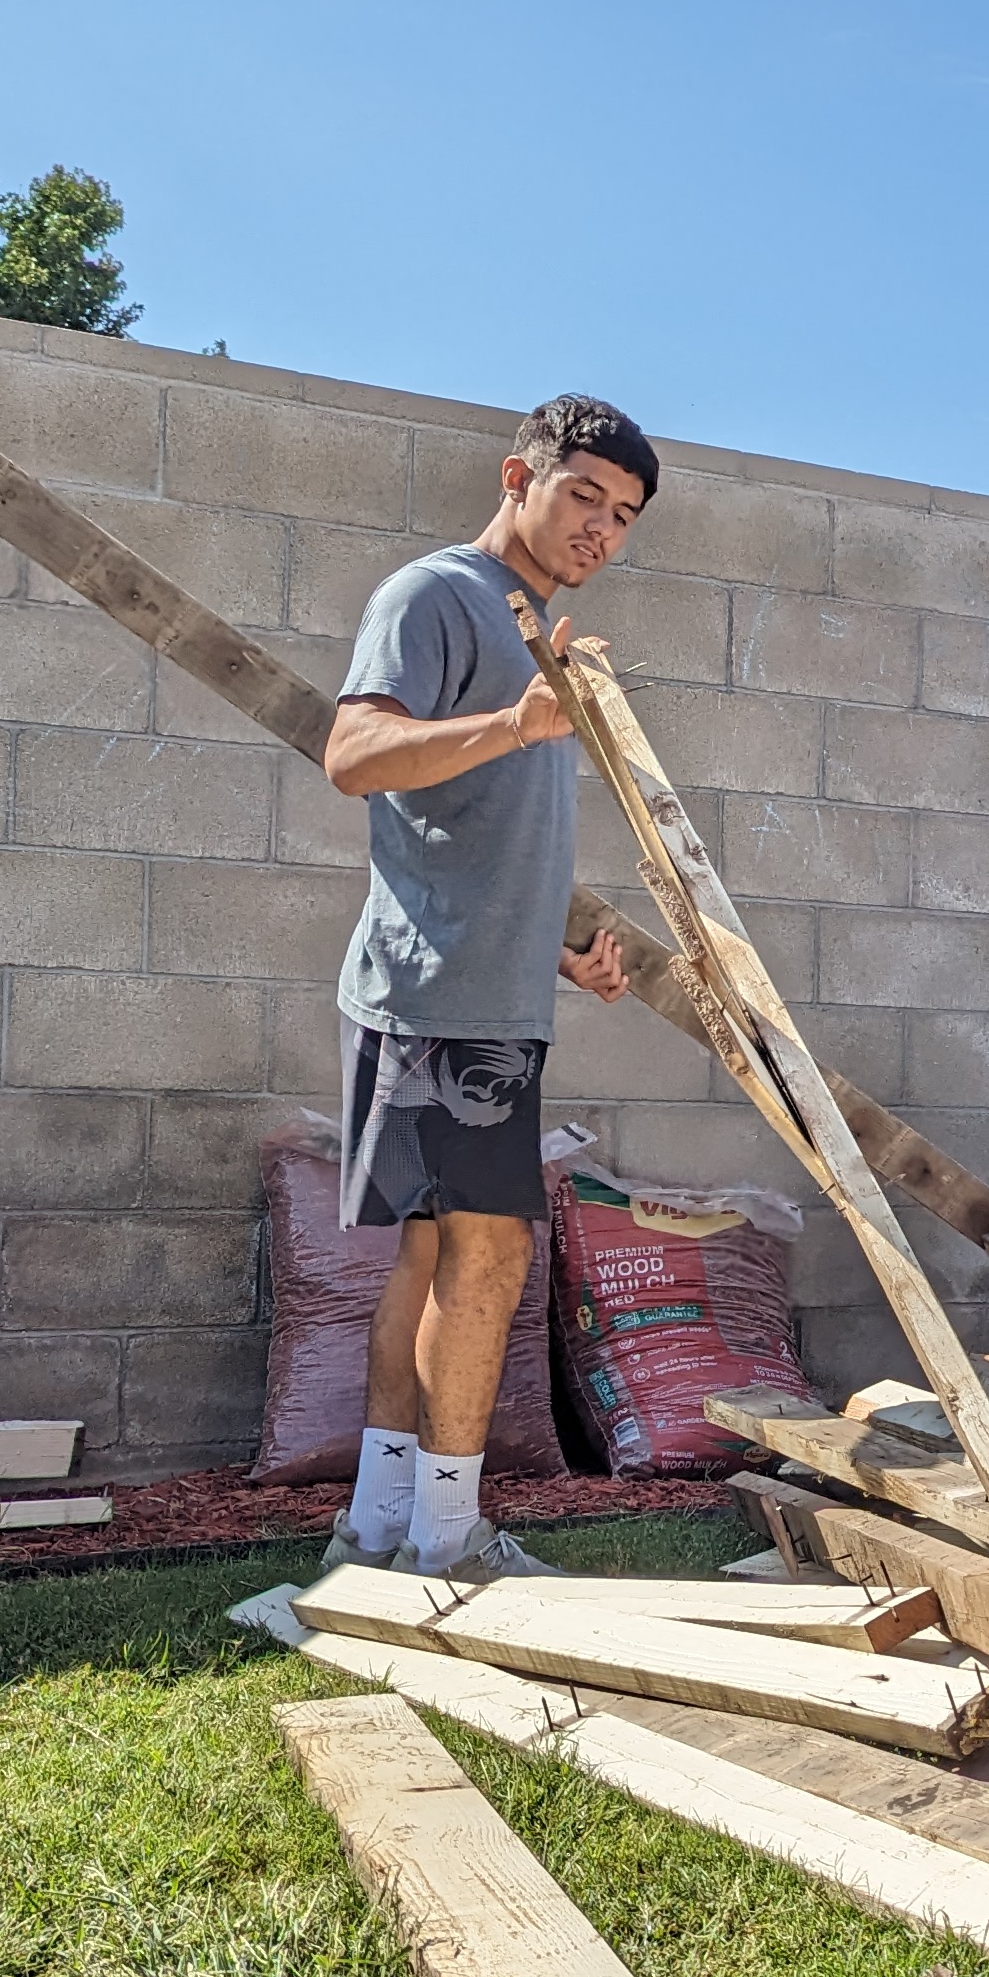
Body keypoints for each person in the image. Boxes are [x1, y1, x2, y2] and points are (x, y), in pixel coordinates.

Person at [319, 395, 654, 1581]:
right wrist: (516, 722)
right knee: (492, 1257)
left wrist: (555, 951)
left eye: (624, 515)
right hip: (439, 1001)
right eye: (584, 496)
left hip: (476, 992)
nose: (601, 528)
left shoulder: (532, 630)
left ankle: (379, 1527)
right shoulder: (437, 595)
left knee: (431, 1260)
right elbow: (355, 755)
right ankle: (450, 1540)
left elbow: (469, 832)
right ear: (519, 477)